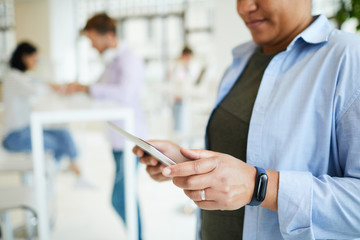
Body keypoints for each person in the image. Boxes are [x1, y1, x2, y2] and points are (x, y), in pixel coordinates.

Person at [134, 0, 360, 239]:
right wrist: (182, 160)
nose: (243, 8)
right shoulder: (241, 61)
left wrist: (261, 186)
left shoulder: (349, 59)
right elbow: (239, 159)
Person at [64, 13, 146, 240]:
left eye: (93, 40)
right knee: (126, 196)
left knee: (120, 198)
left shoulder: (129, 59)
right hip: (118, 140)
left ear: (109, 36)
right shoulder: (113, 61)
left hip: (132, 140)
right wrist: (82, 87)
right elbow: (98, 87)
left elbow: (124, 93)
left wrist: (87, 89)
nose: (92, 45)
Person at [1, 42, 82, 178]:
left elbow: (37, 84)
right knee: (58, 144)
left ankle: (73, 169)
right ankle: (51, 174)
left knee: (63, 133)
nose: (36, 63)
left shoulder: (24, 77)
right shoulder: (12, 77)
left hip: (27, 130)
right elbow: (36, 89)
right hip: (15, 136)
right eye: (34, 59)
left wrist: (53, 86)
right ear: (25, 57)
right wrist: (52, 87)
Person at [166, 46, 194, 133]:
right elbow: (179, 82)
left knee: (180, 126)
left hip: (179, 98)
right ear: (185, 56)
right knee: (180, 129)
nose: (189, 61)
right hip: (179, 99)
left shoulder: (178, 65)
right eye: (189, 58)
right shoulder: (179, 66)